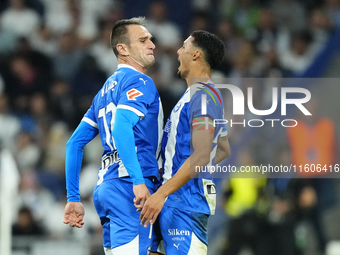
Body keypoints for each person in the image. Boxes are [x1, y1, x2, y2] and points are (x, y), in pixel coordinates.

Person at [63, 17, 163, 255]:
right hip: (130, 187)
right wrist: (138, 180)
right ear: (123, 49)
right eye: (143, 40)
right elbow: (121, 127)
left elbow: (74, 143)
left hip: (108, 187)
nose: (152, 44)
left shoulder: (103, 92)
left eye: (151, 39)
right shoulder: (140, 81)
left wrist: (73, 196)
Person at [141, 30, 231, 254]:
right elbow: (223, 148)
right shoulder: (195, 95)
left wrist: (163, 192)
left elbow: (201, 155)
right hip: (172, 199)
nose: (178, 52)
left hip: (184, 204)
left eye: (183, 47)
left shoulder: (202, 96)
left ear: (196, 55)